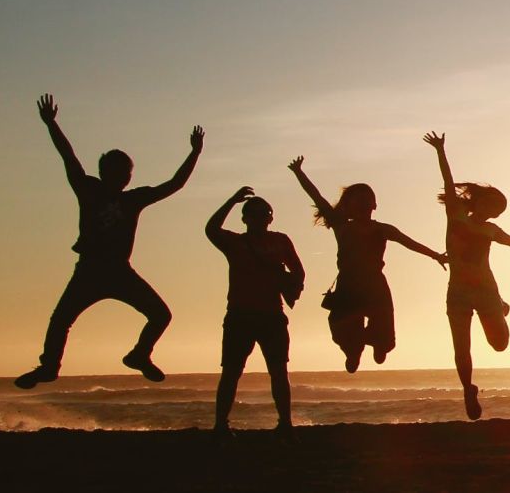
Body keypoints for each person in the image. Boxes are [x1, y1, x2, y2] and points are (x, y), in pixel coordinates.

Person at [16, 94, 203, 389]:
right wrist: (52, 125)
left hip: (119, 271)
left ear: (129, 177)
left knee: (160, 314)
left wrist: (195, 153)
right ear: (104, 173)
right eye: (117, 172)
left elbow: (175, 185)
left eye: (126, 173)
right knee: (61, 320)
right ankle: (49, 366)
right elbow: (69, 157)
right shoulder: (88, 188)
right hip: (90, 270)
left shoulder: (134, 199)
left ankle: (139, 355)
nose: (122, 178)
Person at [288, 156, 447, 373]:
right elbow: (317, 196)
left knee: (384, 335)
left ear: (374, 204)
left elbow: (409, 243)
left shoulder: (382, 229)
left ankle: (378, 345)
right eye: (357, 200)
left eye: (367, 199)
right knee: (344, 332)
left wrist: (435, 255)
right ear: (349, 206)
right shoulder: (342, 226)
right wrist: (299, 173)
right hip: (348, 285)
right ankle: (353, 352)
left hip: (375, 286)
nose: (363, 203)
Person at [423, 132, 510, 420]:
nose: (494, 213)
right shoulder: (456, 216)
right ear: (480, 202)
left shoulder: (490, 230)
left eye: (498, 210)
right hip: (458, 292)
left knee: (500, 344)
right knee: (461, 347)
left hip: (487, 291)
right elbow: (449, 184)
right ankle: (467, 390)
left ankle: (501, 306)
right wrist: (440, 151)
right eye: (491, 205)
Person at [205, 187, 305, 439]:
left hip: (271, 315)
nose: (260, 219)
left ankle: (285, 422)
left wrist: (289, 285)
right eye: (254, 214)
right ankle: (220, 425)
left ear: (270, 218)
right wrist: (231, 200)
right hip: (240, 314)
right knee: (231, 372)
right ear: (245, 219)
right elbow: (211, 229)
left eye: (264, 214)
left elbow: (299, 271)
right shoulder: (235, 243)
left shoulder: (281, 241)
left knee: (278, 371)